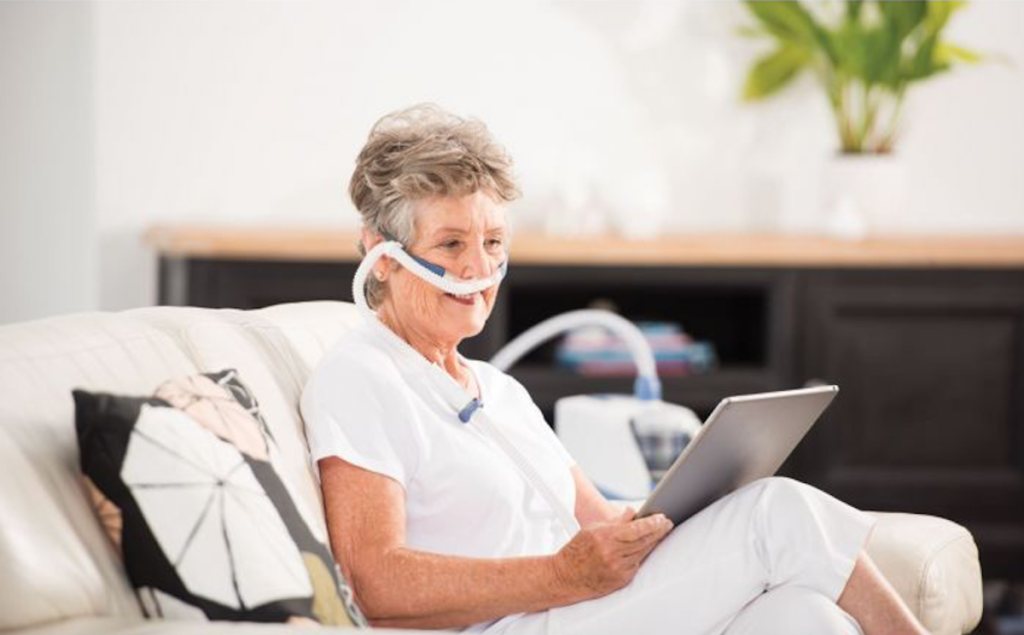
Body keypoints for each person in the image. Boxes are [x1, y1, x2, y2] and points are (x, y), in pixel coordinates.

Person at [300, 104, 931, 635]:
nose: (477, 268)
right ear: (379, 256)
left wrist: (689, 510)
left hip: (573, 607)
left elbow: (598, 522)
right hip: (506, 624)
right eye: (450, 244)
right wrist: (561, 575)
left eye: (492, 242)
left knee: (806, 617)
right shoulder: (362, 378)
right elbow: (374, 580)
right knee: (779, 513)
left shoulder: (499, 391)